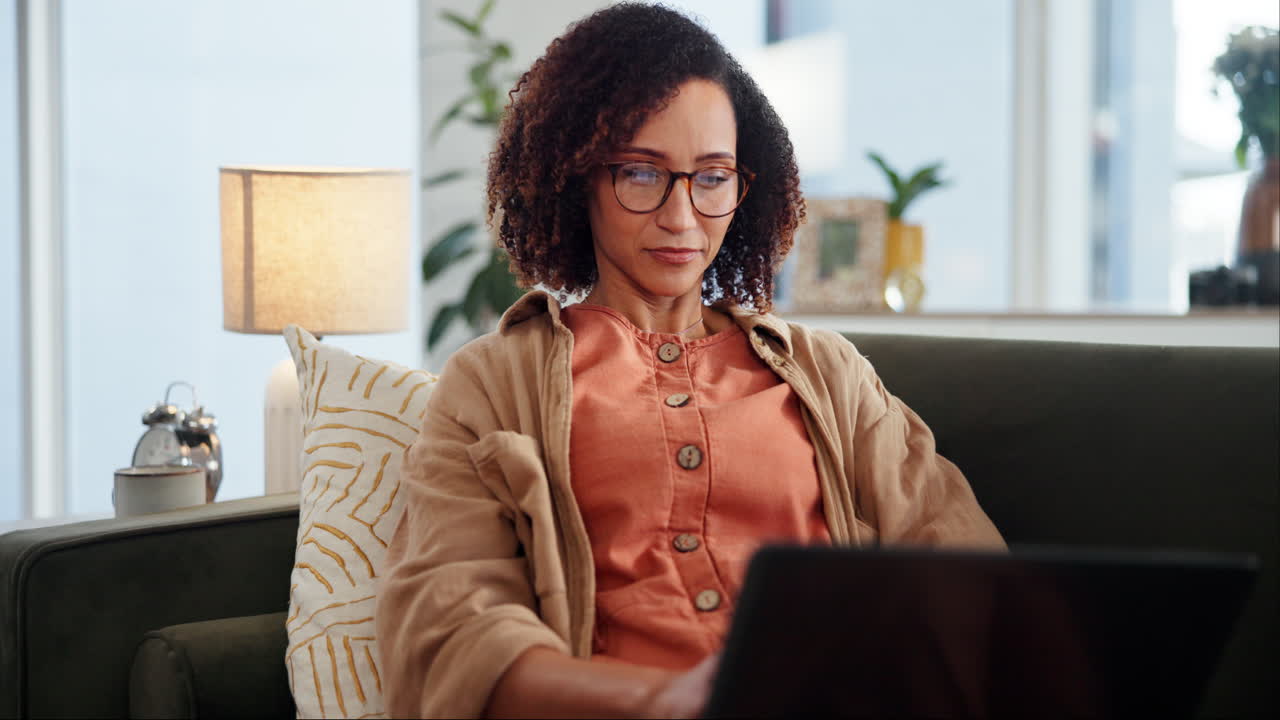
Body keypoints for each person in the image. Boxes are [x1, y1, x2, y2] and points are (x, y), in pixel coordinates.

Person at [376, 4, 1004, 718]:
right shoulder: (494, 383)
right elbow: (450, 628)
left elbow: (966, 568)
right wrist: (664, 699)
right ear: (575, 176)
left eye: (712, 177)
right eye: (642, 174)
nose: (682, 217)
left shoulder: (828, 372)